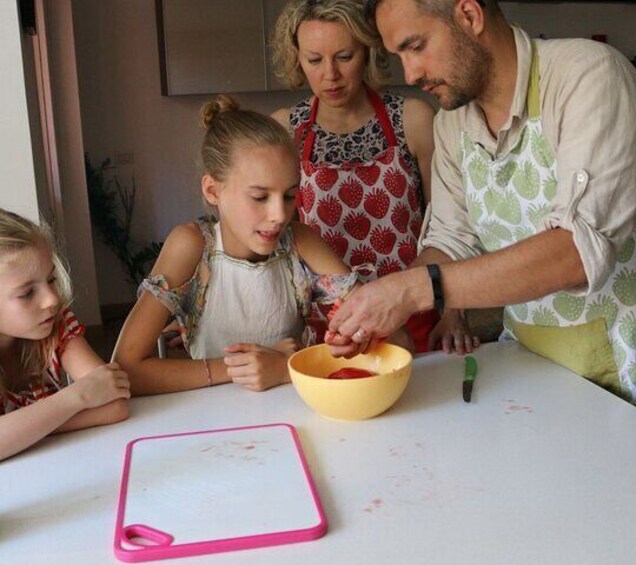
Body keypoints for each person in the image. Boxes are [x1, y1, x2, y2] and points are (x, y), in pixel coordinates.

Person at [326, 0, 636, 438]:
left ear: (469, 15)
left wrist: (413, 291)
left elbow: (576, 251)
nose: (410, 74)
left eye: (416, 46)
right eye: (401, 57)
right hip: (531, 355)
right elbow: (451, 239)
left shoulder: (589, 76)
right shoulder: (453, 122)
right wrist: (388, 312)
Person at [113, 95, 377, 396]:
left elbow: (385, 329)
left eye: (290, 196)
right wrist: (254, 366)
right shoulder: (192, 246)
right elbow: (126, 370)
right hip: (212, 422)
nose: (279, 216)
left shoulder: (301, 241)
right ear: (213, 190)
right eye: (259, 197)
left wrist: (351, 339)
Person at [270, 0, 477, 354]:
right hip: (327, 325)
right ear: (297, 59)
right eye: (314, 60)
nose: (329, 75)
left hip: (410, 315)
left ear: (367, 52)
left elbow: (452, 223)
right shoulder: (285, 129)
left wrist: (455, 314)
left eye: (344, 57)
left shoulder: (412, 119)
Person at [0, 208, 130, 461]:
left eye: (50, 280)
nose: (52, 298)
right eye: (27, 293)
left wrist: (20, 430)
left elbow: (115, 404)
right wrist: (77, 397)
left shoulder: (56, 324)